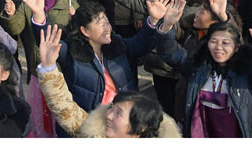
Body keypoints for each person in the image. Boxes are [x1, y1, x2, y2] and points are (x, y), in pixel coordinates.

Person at [26, 0, 185, 114]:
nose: (107, 28)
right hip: (88, 124)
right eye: (100, 24)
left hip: (124, 121)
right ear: (85, 31)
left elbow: (143, 42)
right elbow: (47, 41)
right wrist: (39, 14)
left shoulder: (119, 45)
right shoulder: (71, 51)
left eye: (107, 22)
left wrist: (154, 19)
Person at [35, 24, 182, 137]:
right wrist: (48, 68)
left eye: (119, 113)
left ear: (141, 127)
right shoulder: (94, 131)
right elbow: (64, 109)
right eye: (112, 107)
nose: (109, 115)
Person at [158, 16, 252, 137]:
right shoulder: (197, 65)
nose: (219, 47)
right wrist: (167, 27)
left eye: (225, 43)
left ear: (236, 47)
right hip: (201, 131)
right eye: (213, 41)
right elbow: (170, 53)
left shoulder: (246, 70)